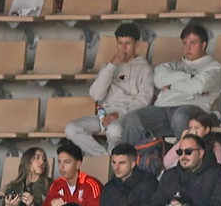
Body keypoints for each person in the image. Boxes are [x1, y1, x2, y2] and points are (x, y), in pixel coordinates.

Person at [123, 25, 221, 145]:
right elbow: (158, 80)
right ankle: (128, 160)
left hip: (193, 108)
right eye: (185, 43)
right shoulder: (173, 65)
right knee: (133, 118)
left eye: (193, 43)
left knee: (180, 116)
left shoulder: (214, 67)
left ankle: (185, 158)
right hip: (162, 109)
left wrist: (171, 85)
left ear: (204, 45)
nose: (188, 48)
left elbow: (199, 86)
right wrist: (187, 77)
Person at [64, 24, 154, 156]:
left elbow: (144, 101)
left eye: (128, 43)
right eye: (120, 43)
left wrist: (119, 114)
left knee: (114, 130)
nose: (123, 48)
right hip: (105, 114)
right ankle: (105, 158)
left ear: (137, 44)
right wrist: (112, 66)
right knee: (71, 129)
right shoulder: (110, 66)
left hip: (128, 115)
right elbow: (95, 94)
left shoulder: (145, 68)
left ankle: (112, 160)